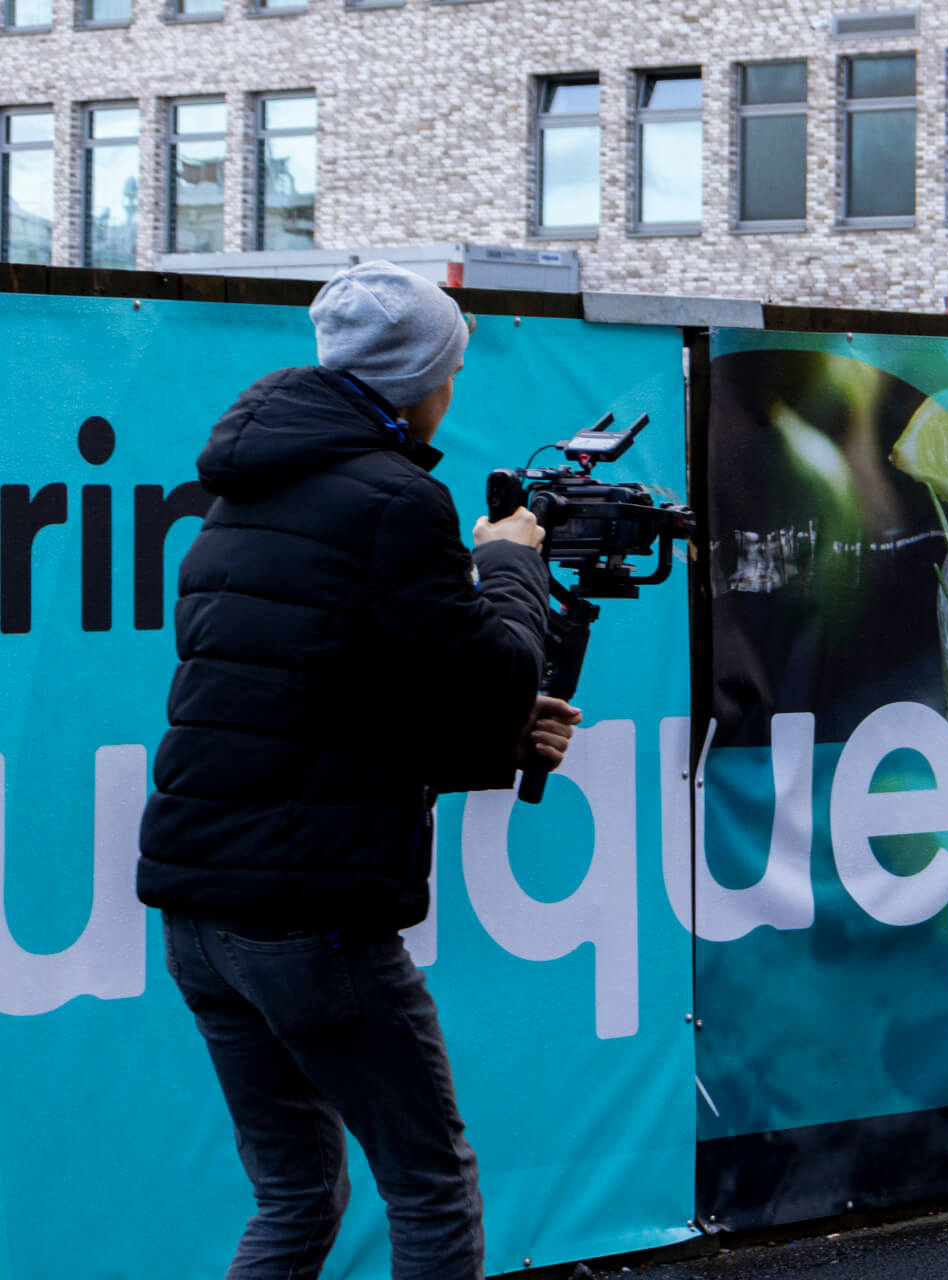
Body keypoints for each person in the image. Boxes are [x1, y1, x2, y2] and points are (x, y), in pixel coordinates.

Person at [137, 260, 581, 1280]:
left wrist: (496, 746)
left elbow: (317, 710)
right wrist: (512, 558)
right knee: (429, 1186)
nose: (454, 387)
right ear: (423, 379)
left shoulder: (243, 492)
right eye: (452, 367)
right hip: (309, 916)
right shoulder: (397, 500)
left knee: (296, 1195)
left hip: (202, 914)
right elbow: (500, 668)